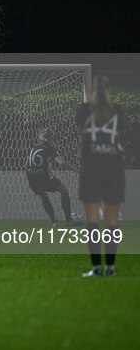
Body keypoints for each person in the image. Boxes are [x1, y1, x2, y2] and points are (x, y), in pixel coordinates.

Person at [76, 76, 125, 277]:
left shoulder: (84, 110)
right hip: (114, 168)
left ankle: (96, 268)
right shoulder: (119, 111)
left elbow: (81, 126)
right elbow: (121, 132)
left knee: (93, 220)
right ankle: (110, 268)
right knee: (112, 219)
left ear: (93, 92)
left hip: (91, 169)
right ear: (110, 90)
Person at [25, 128, 81, 227]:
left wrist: (32, 174)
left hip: (31, 176)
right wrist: (77, 170)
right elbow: (61, 163)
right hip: (44, 176)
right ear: (52, 138)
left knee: (43, 195)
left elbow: (26, 164)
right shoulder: (50, 148)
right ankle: (68, 220)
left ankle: (54, 222)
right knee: (64, 190)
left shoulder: (34, 147)